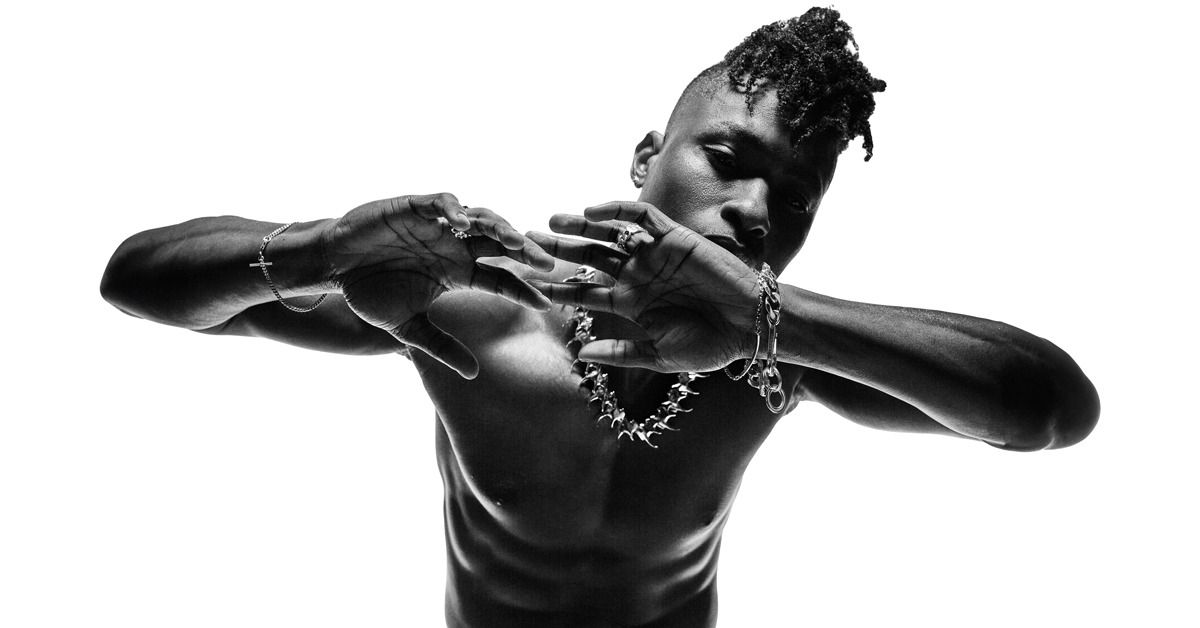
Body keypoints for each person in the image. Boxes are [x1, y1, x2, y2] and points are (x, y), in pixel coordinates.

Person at [100, 8, 1099, 628]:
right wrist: (316, 248)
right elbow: (136, 283)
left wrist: (769, 321)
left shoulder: (779, 359)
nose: (756, 211)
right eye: (728, 158)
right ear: (645, 157)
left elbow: (1051, 413)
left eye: (796, 200)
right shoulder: (480, 308)